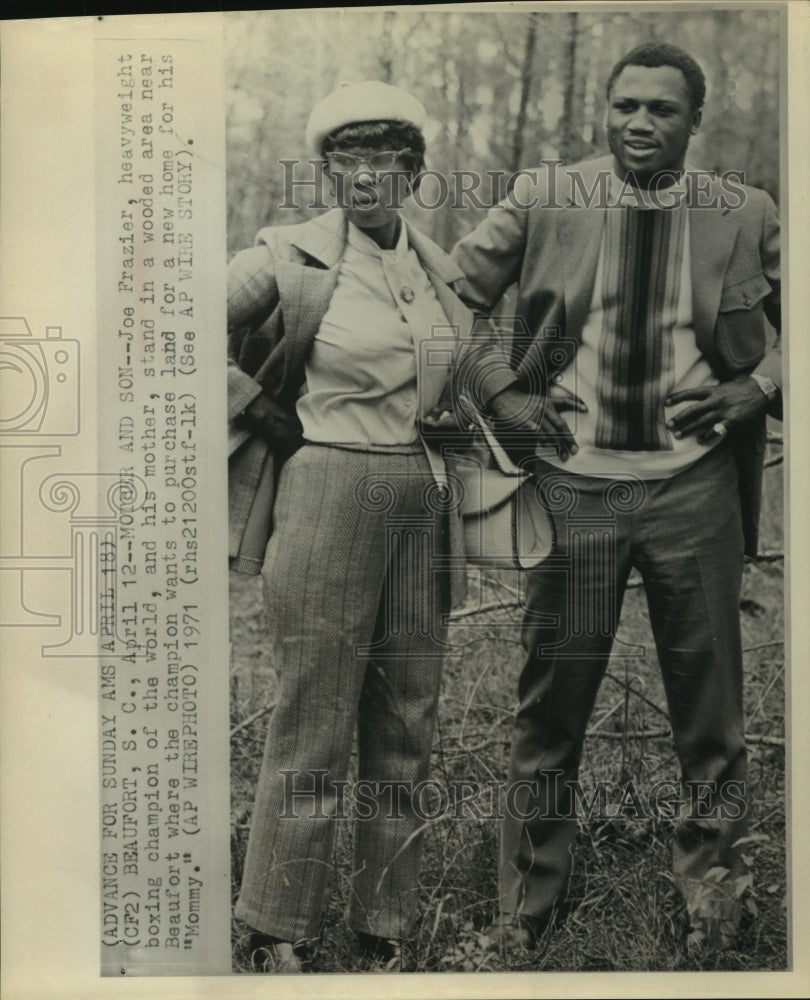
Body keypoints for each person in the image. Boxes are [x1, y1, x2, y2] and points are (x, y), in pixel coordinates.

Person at [451, 42, 781, 950]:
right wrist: (504, 396)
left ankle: (713, 898)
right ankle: (527, 908)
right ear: (605, 109)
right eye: (625, 105)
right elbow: (448, 298)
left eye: (662, 110)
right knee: (550, 705)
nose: (640, 123)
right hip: (572, 488)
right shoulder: (547, 195)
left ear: (694, 122)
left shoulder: (743, 212)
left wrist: (758, 387)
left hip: (695, 488)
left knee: (710, 708)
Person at [226, 80, 511, 972]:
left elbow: (462, 375)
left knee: (407, 713)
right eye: (343, 160)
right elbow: (156, 323)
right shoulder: (287, 257)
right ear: (325, 171)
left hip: (421, 497)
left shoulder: (436, 271)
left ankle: (382, 924)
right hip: (329, 488)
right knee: (315, 712)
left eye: (383, 159)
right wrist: (260, 411)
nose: (362, 177)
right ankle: (277, 924)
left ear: (413, 171)